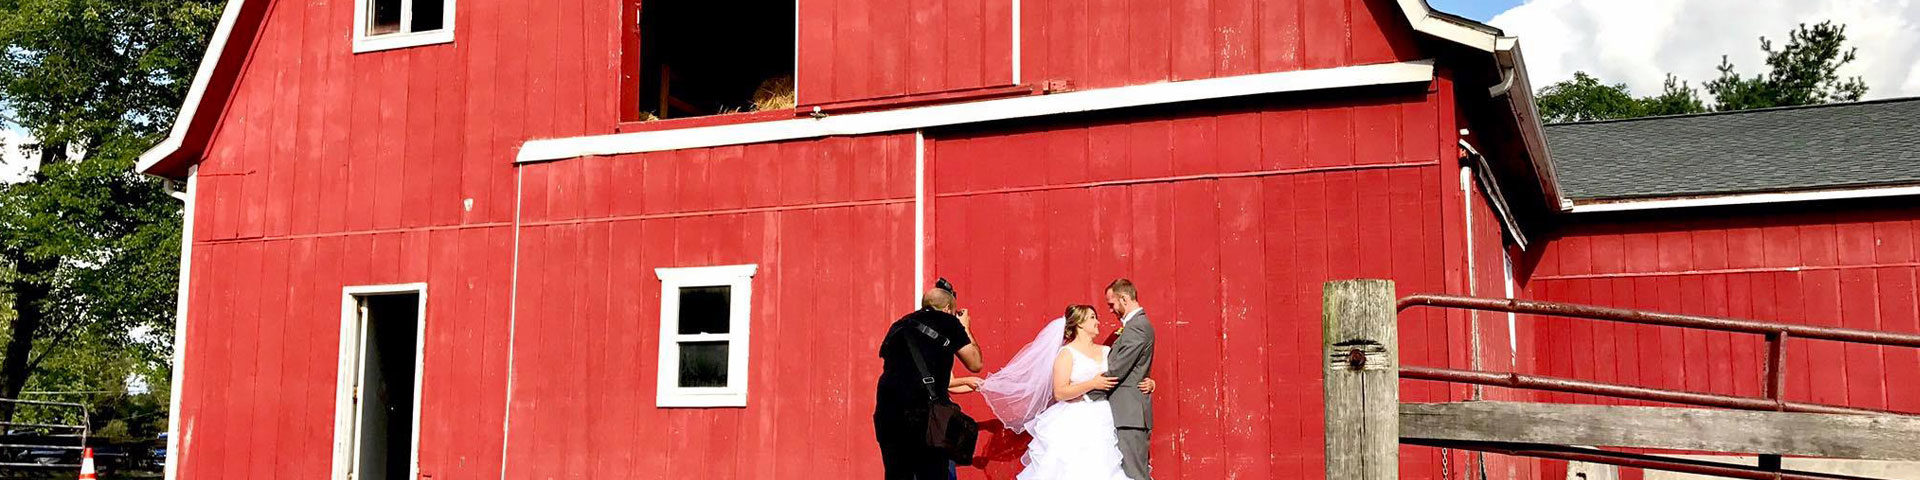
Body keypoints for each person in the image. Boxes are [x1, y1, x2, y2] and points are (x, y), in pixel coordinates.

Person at [978, 305, 1156, 480]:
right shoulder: (1067, 353)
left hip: (1104, 417)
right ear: (1079, 323)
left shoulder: (1106, 351)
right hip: (1075, 418)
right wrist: (1092, 383)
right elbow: (1060, 392)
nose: (1098, 322)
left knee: (1103, 467)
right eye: (1092, 317)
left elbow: (1121, 374)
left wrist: (1150, 382)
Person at [874, 280, 985, 480]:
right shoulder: (949, 322)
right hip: (925, 417)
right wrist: (965, 328)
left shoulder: (898, 326)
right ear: (949, 308)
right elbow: (975, 363)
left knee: (897, 474)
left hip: (887, 413)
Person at [1089, 278, 1155, 480]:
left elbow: (1118, 369)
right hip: (1124, 414)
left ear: (1124, 299)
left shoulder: (1137, 328)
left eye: (1112, 304)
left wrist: (1085, 394)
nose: (1110, 310)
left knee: (1134, 475)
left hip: (1129, 416)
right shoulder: (1133, 327)